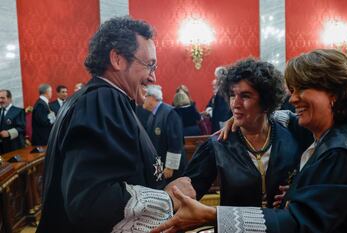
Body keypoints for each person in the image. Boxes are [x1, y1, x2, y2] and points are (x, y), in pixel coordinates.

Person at [152, 49, 347, 233]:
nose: (293, 98)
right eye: (232, 95)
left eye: (302, 88)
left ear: (334, 93)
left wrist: (213, 215)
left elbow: (302, 222)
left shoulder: (336, 149)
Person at [37, 17, 195, 233]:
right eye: (149, 65)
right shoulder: (103, 100)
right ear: (118, 59)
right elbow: (91, 202)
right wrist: (167, 198)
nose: (153, 77)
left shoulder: (99, 98)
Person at [184, 58, 302, 208]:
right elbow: (188, 190)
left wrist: (296, 191)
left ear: (266, 101)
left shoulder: (291, 134)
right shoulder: (219, 143)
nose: (235, 104)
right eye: (233, 95)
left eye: (245, 96)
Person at [143, 85, 186, 182]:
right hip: (160, 165)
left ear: (152, 97)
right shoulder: (153, 115)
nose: (142, 99)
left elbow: (175, 141)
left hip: (172, 169)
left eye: (145, 96)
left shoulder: (169, 113)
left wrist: (170, 166)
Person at [206, 66, 232, 132]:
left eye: (217, 78)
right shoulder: (225, 89)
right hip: (223, 121)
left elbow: (223, 110)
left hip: (222, 122)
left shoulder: (223, 90)